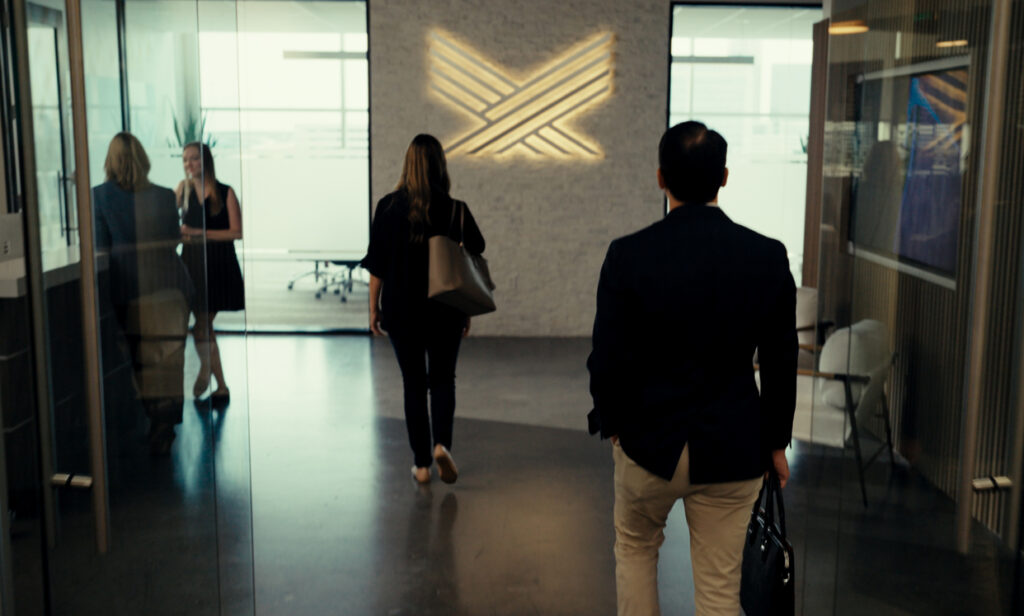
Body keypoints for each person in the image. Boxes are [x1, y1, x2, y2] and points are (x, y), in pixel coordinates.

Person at [587, 121, 797, 616]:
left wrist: (613, 421)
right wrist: (776, 443)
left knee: (636, 553)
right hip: (732, 447)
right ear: (724, 177)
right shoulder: (766, 256)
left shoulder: (627, 255)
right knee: (721, 593)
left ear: (660, 178)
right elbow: (780, 358)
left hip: (647, 443)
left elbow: (606, 354)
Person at [362, 134, 485, 485]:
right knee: (444, 380)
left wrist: (373, 309)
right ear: (440, 166)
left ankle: (420, 465)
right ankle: (441, 445)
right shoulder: (455, 209)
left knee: (413, 385)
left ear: (408, 165)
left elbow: (377, 266)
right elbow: (474, 251)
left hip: (400, 311)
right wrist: (468, 309)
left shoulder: (387, 207)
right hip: (445, 309)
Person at [93, 132, 194, 455]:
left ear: (110, 162)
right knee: (170, 356)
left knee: (142, 357)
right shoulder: (165, 196)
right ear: (143, 159)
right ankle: (164, 424)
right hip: (170, 285)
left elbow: (99, 247)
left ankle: (155, 419)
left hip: (131, 288)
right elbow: (172, 240)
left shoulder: (99, 197)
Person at [176, 142, 244, 401]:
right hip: (191, 264)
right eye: (185, 160)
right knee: (203, 327)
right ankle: (221, 385)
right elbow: (166, 220)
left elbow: (237, 232)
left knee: (202, 325)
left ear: (205, 161)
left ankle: (207, 372)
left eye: (193, 159)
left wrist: (197, 233)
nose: (188, 165)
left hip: (219, 264)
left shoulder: (225, 192)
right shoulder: (182, 190)